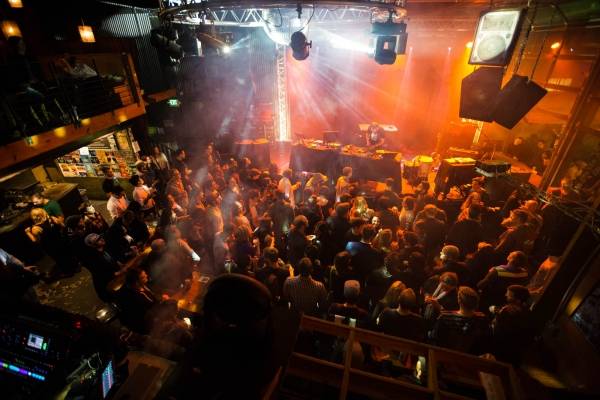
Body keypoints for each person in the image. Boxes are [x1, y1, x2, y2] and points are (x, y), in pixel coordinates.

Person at [431, 286, 490, 354]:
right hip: (473, 359)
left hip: (446, 356)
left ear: (459, 300)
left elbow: (435, 340)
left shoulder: (445, 318)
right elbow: (486, 344)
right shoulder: (482, 320)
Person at [82, 233, 121, 302]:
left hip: (116, 278)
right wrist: (118, 272)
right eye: (98, 240)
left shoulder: (105, 248)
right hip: (108, 286)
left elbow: (114, 261)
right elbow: (102, 274)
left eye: (100, 237)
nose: (102, 239)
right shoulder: (93, 258)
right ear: (93, 245)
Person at [116, 268, 157, 333]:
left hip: (151, 314)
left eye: (145, 274)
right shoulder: (136, 297)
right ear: (137, 282)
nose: (146, 276)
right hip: (146, 324)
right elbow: (151, 309)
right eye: (143, 277)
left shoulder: (141, 286)